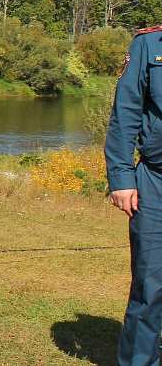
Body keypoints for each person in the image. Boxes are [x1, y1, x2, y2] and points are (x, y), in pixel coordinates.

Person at [106, 24, 162, 366]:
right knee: (149, 286)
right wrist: (122, 177)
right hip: (156, 181)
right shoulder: (149, 44)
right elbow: (125, 113)